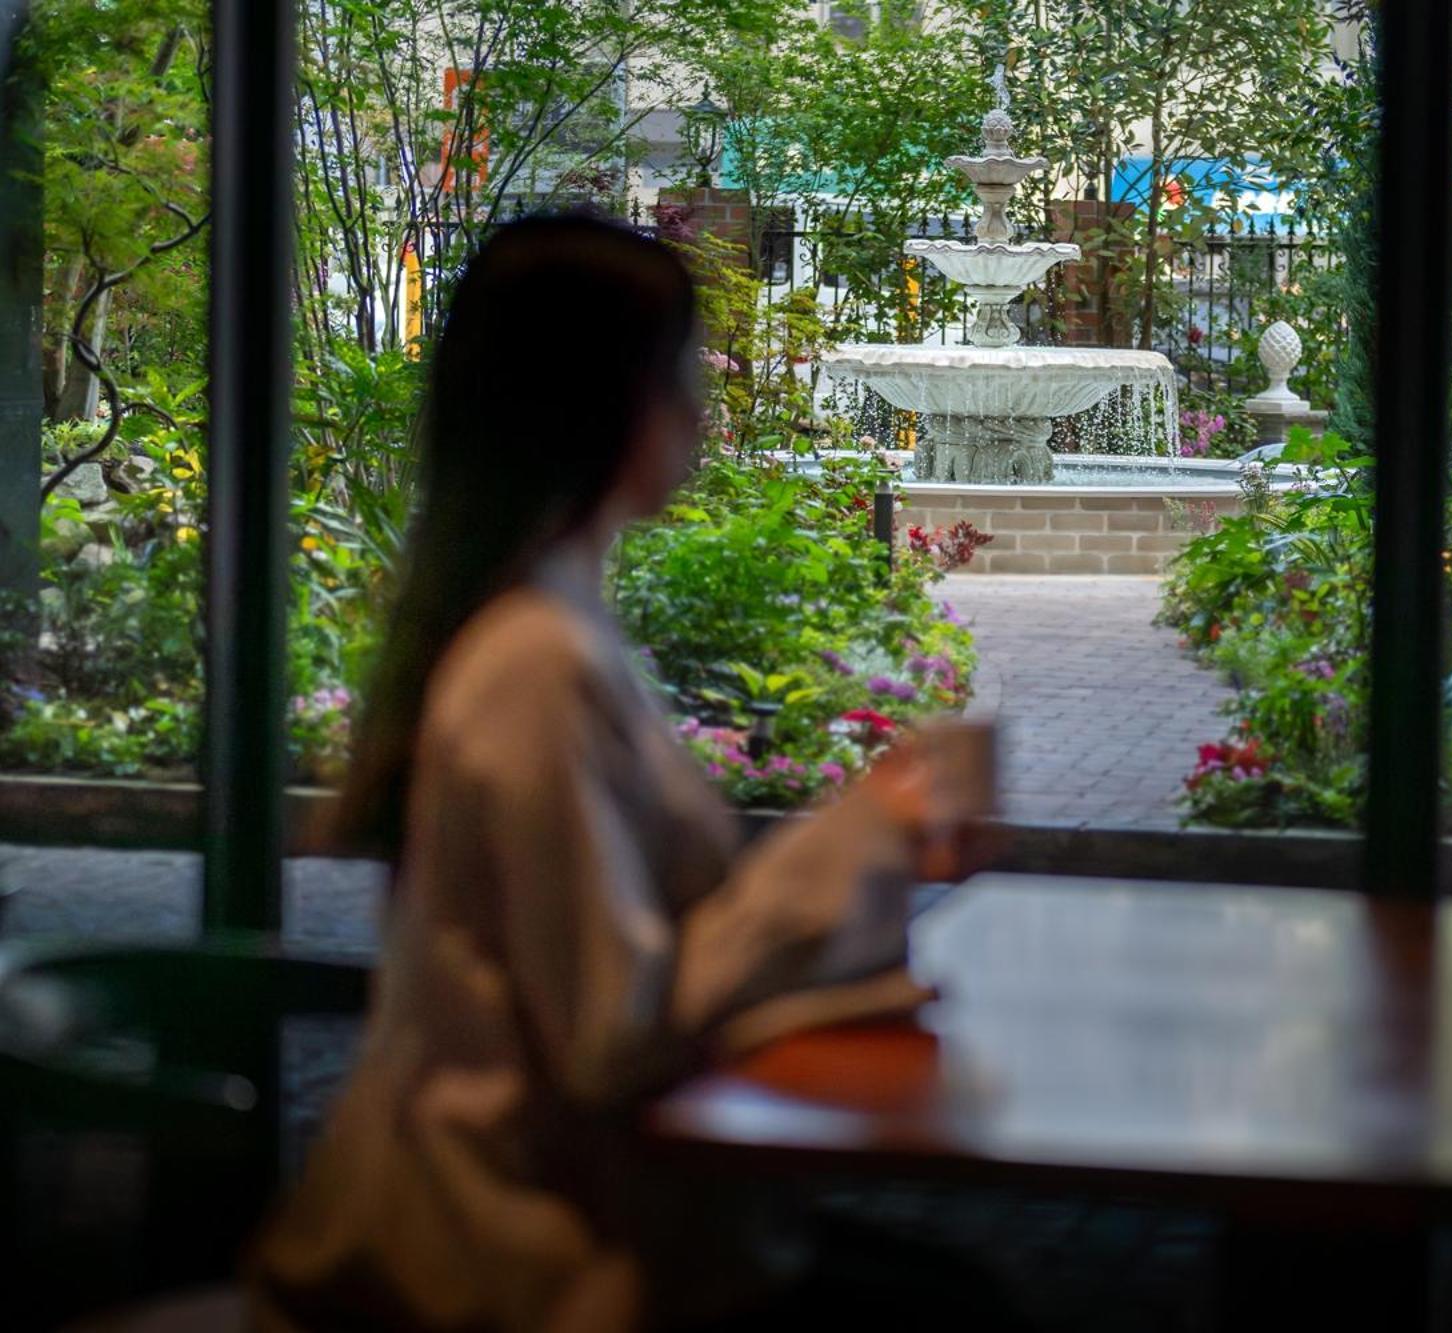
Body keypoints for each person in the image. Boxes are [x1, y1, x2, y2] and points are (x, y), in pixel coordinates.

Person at [250, 216, 998, 1331]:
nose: (700, 412)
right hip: (520, 1266)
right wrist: (863, 834)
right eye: (681, 376)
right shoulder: (535, 665)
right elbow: (613, 1027)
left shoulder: (543, 628)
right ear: (599, 401)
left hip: (543, 1224)